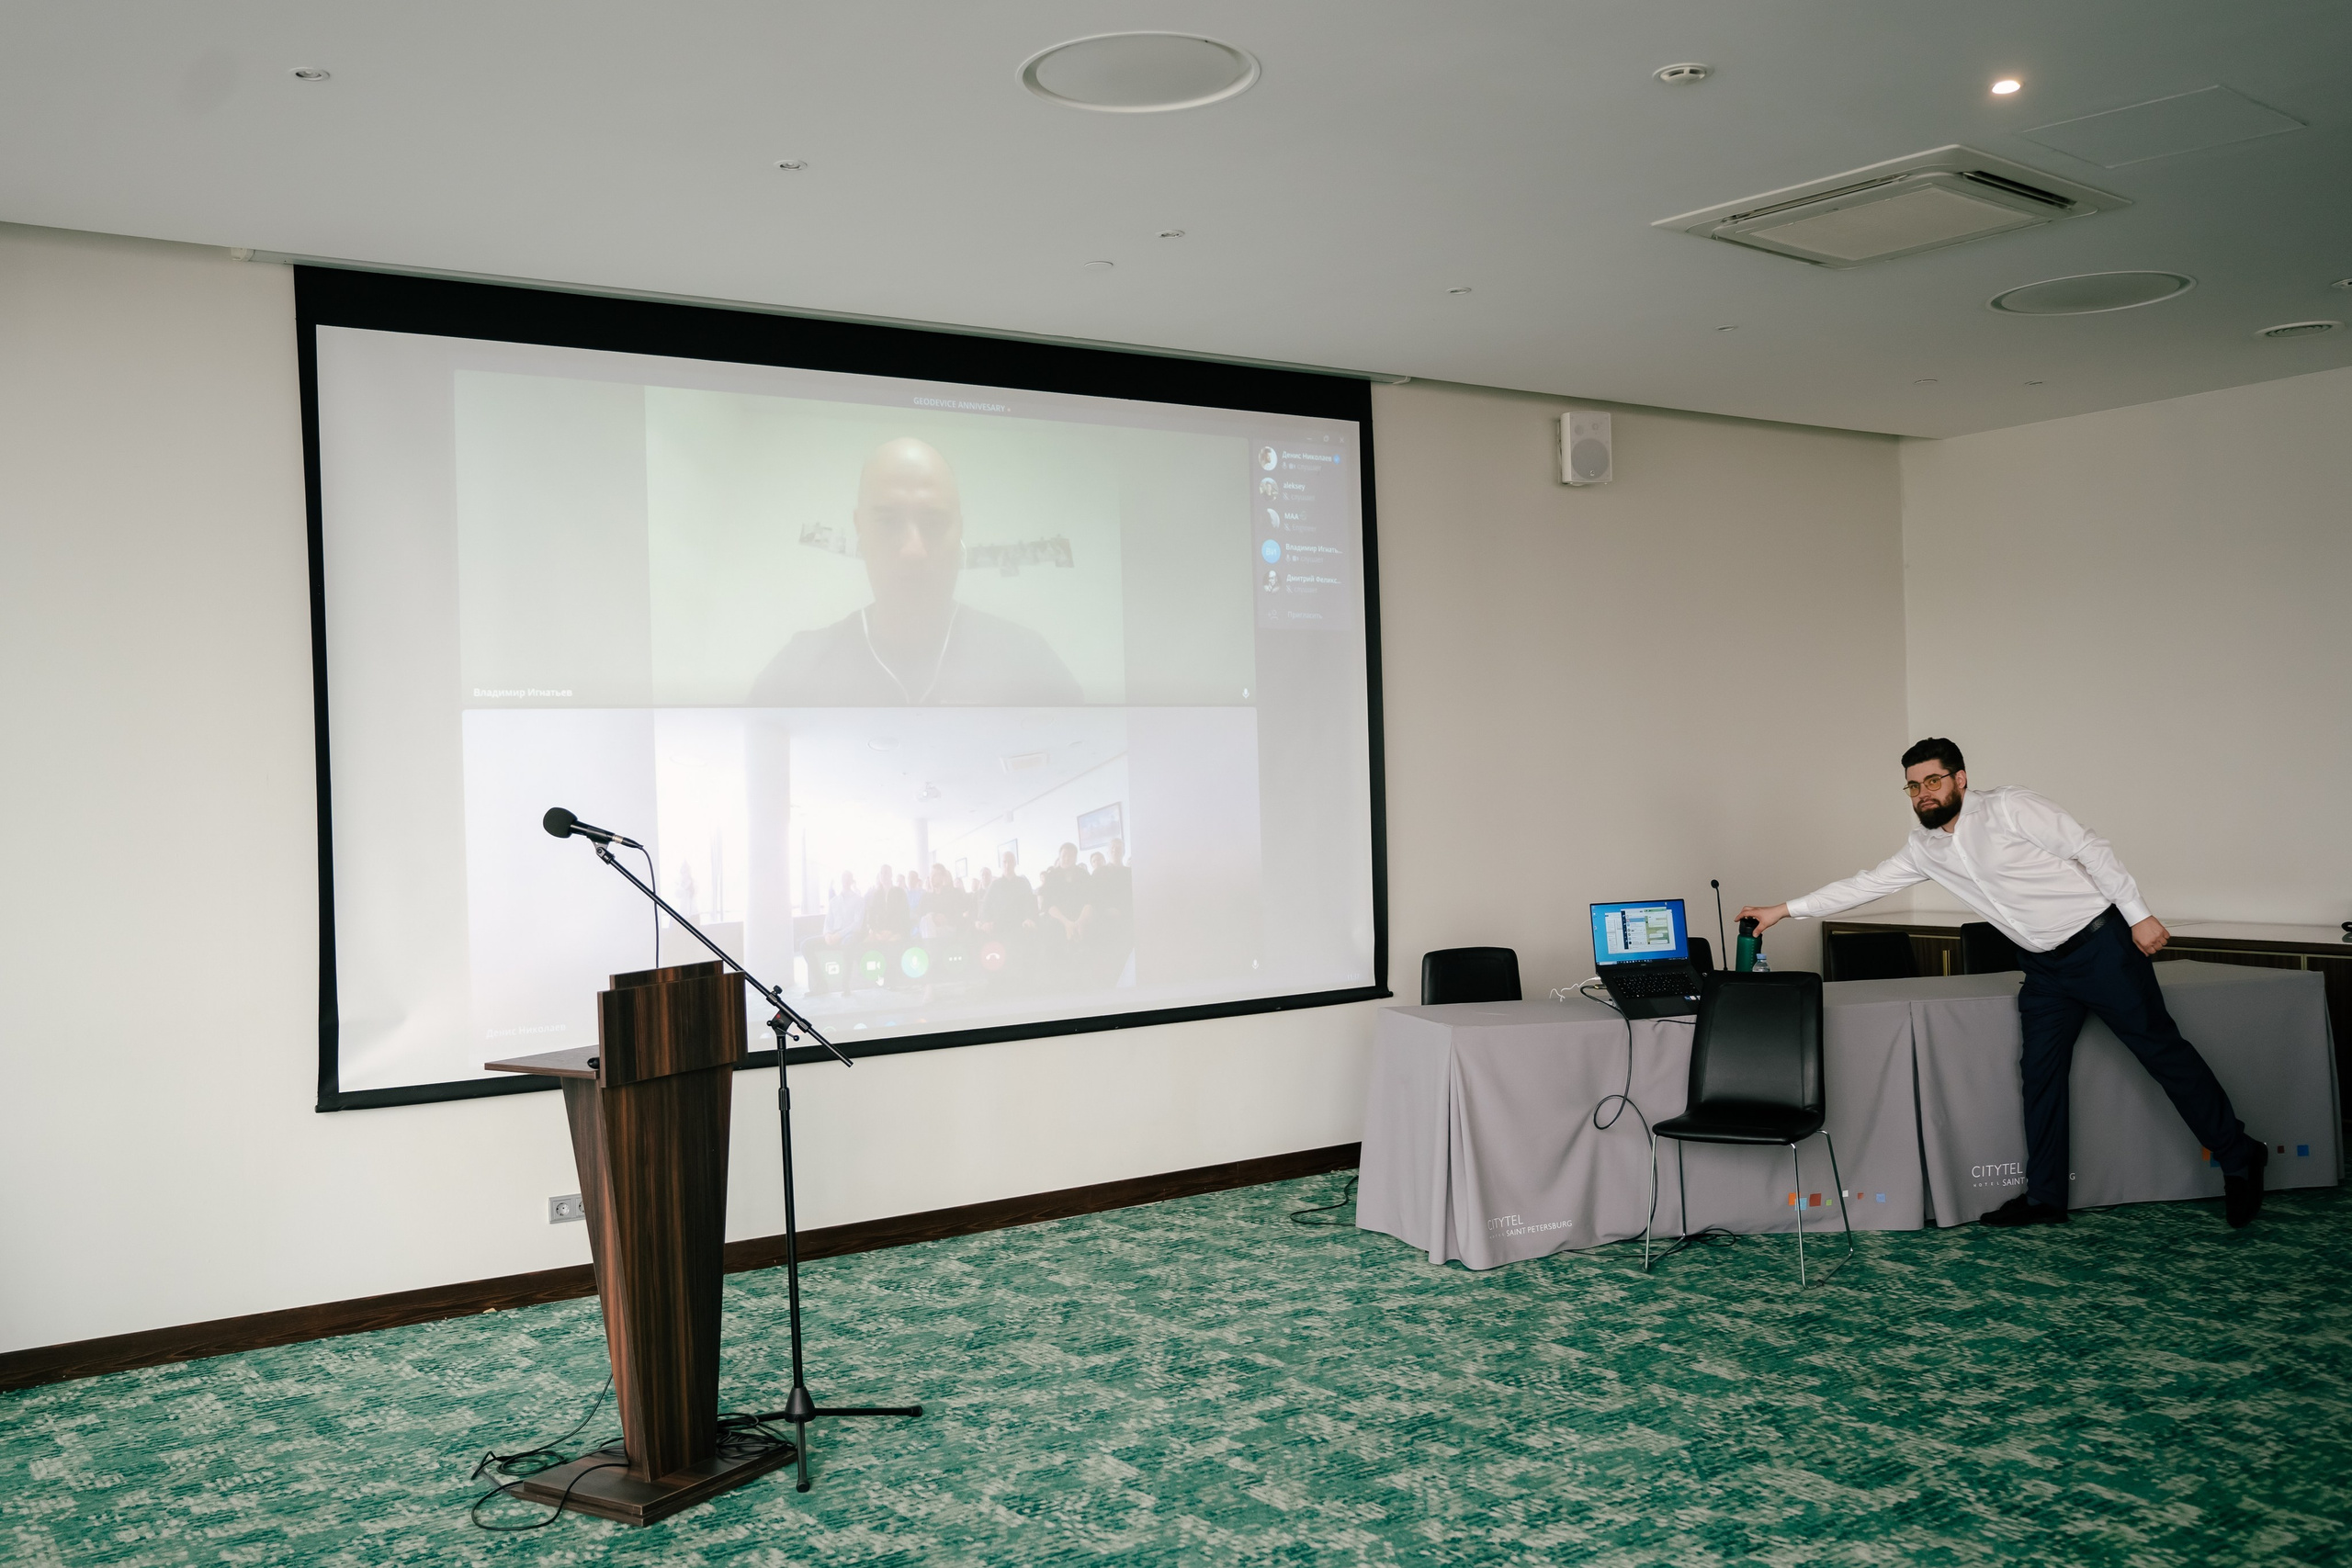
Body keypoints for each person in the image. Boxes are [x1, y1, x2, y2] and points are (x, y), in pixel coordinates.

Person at [1740, 739, 2267, 1230]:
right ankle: (2045, 1199)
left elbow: (2090, 847)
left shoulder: (2012, 807)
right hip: (2044, 970)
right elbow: (1864, 885)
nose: (1924, 794)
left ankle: (2241, 1159)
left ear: (1961, 779)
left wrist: (2139, 915)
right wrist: (1784, 910)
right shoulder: (1924, 848)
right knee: (2038, 1077)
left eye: (1933, 781)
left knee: (2164, 1057)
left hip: (2102, 950)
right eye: (1914, 786)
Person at [749, 437, 1084, 706]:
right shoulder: (796, 671)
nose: (913, 551)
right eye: (888, 521)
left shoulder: (1029, 663)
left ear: (960, 532)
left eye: (935, 522)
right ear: (859, 527)